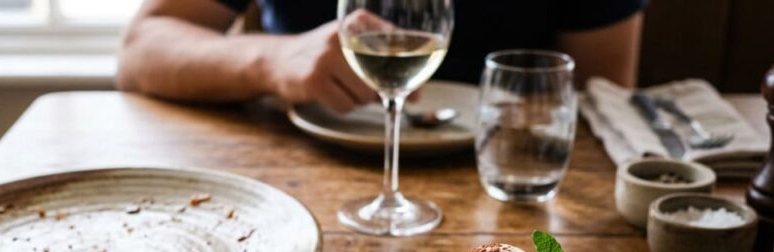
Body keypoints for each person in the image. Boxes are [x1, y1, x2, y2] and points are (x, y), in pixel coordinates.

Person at [116, 1, 644, 113]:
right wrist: (273, 60)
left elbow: (603, 100)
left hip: (500, 189)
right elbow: (141, 50)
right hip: (301, 174)